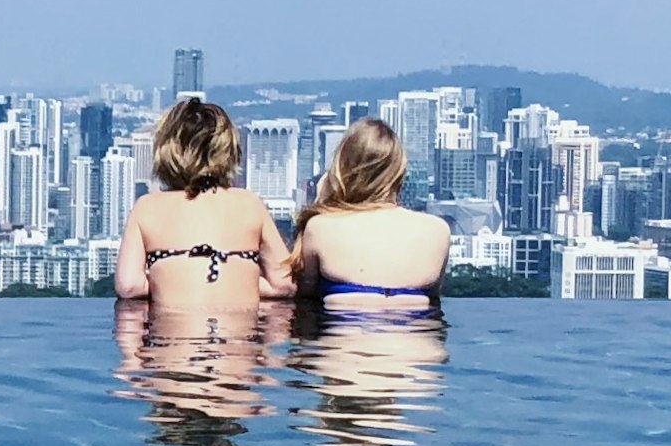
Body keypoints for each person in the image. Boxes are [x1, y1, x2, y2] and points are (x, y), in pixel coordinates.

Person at [113, 96, 290, 311]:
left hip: (171, 341)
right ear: (228, 151)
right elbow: (284, 284)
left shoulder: (147, 207)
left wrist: (171, 279)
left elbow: (129, 286)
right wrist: (240, 281)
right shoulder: (249, 204)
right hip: (240, 342)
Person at [284, 117, 450, 311]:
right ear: (398, 171)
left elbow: (303, 302)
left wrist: (322, 201)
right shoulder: (437, 230)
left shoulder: (320, 227)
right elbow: (435, 303)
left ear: (342, 168)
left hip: (344, 338)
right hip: (417, 337)